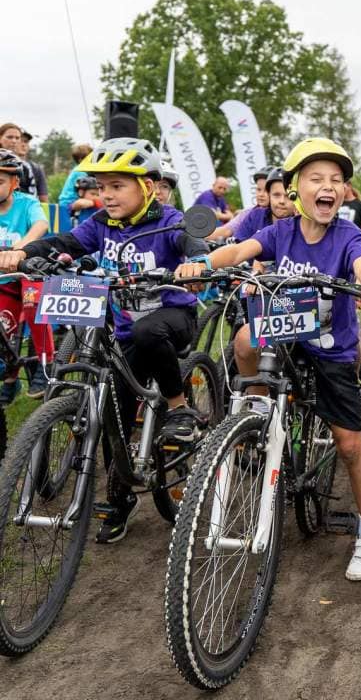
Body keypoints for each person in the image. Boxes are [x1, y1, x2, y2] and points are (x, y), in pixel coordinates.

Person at [175, 137, 361, 581]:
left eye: (336, 180)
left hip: (330, 348)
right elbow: (239, 251)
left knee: (349, 444)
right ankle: (256, 408)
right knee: (244, 339)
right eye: (316, 179)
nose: (328, 186)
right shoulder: (281, 231)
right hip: (285, 332)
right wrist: (204, 264)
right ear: (294, 190)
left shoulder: (346, 235)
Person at [0, 137, 210, 543]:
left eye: (117, 185)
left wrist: (197, 262)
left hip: (172, 317)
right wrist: (23, 253)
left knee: (149, 332)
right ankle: (119, 496)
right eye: (101, 186)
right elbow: (64, 242)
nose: (107, 194)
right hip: (127, 328)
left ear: (147, 186)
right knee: (115, 404)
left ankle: (178, 406)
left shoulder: (169, 220)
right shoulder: (101, 223)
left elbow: (191, 241)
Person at [0, 149, 53, 400]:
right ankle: (11, 378)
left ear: (15, 183)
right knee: (4, 328)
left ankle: (45, 363)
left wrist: (20, 248)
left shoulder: (27, 203)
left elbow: (41, 224)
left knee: (34, 304)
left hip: (28, 272)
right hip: (3, 279)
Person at [337, 180, 361, 249]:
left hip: (353, 244)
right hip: (337, 244)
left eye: (343, 188)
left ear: (349, 186)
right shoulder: (337, 203)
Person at [16, 130, 48, 202]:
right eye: (20, 141)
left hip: (31, 206)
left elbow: (43, 198)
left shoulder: (36, 168)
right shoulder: (4, 165)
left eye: (26, 141)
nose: (23, 144)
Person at [58, 143, 93, 208]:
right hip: (69, 202)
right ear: (80, 159)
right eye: (90, 157)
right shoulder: (80, 172)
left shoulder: (79, 170)